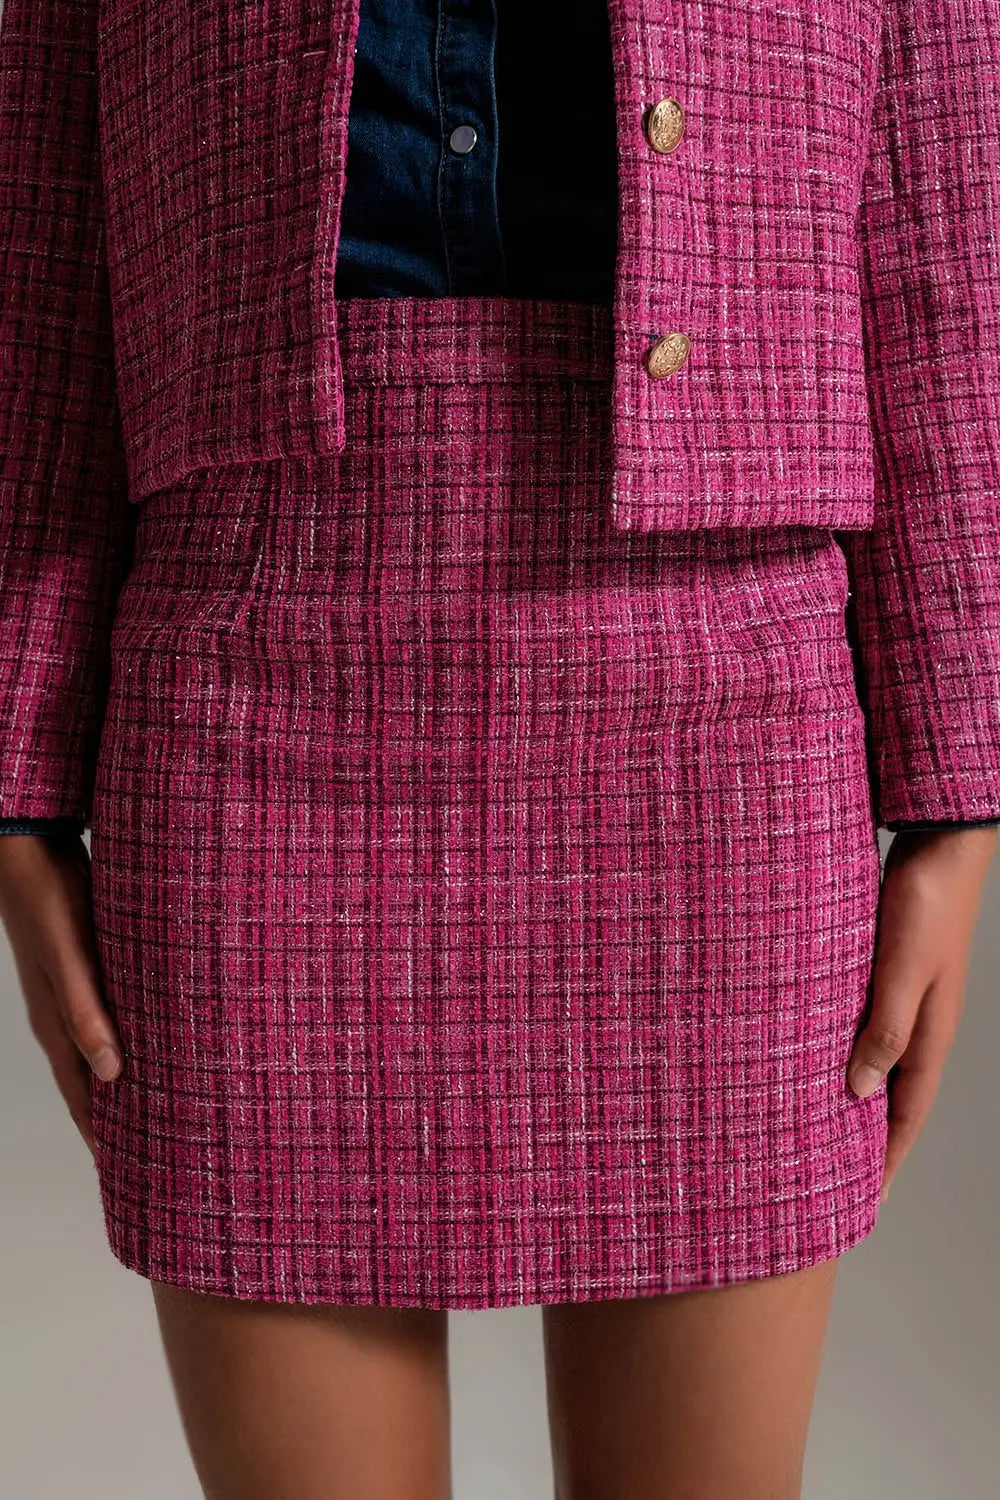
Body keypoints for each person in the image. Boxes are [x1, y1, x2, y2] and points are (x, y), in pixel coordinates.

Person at [1, 0, 998, 1495]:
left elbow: (946, 219)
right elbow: (33, 238)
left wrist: (958, 791)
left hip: (717, 710)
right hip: (253, 695)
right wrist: (17, 785)